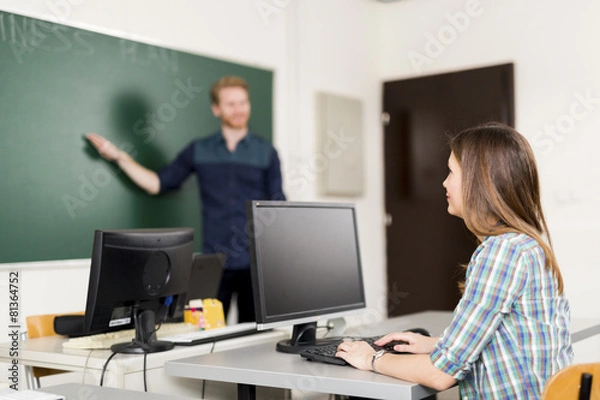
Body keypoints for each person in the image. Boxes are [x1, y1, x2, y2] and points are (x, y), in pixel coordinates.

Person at [335, 122, 573, 399]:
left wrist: (371, 359)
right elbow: (509, 338)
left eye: (451, 171)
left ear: (479, 180)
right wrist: (436, 344)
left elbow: (440, 375)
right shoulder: (526, 246)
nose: (444, 182)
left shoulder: (501, 254)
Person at [86, 76, 285, 323]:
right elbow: (157, 183)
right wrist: (118, 157)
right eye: (231, 104)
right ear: (216, 108)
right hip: (214, 263)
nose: (238, 109)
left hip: (257, 265)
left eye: (243, 103)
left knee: (257, 338)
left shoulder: (266, 152)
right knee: (205, 337)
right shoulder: (199, 149)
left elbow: (279, 206)